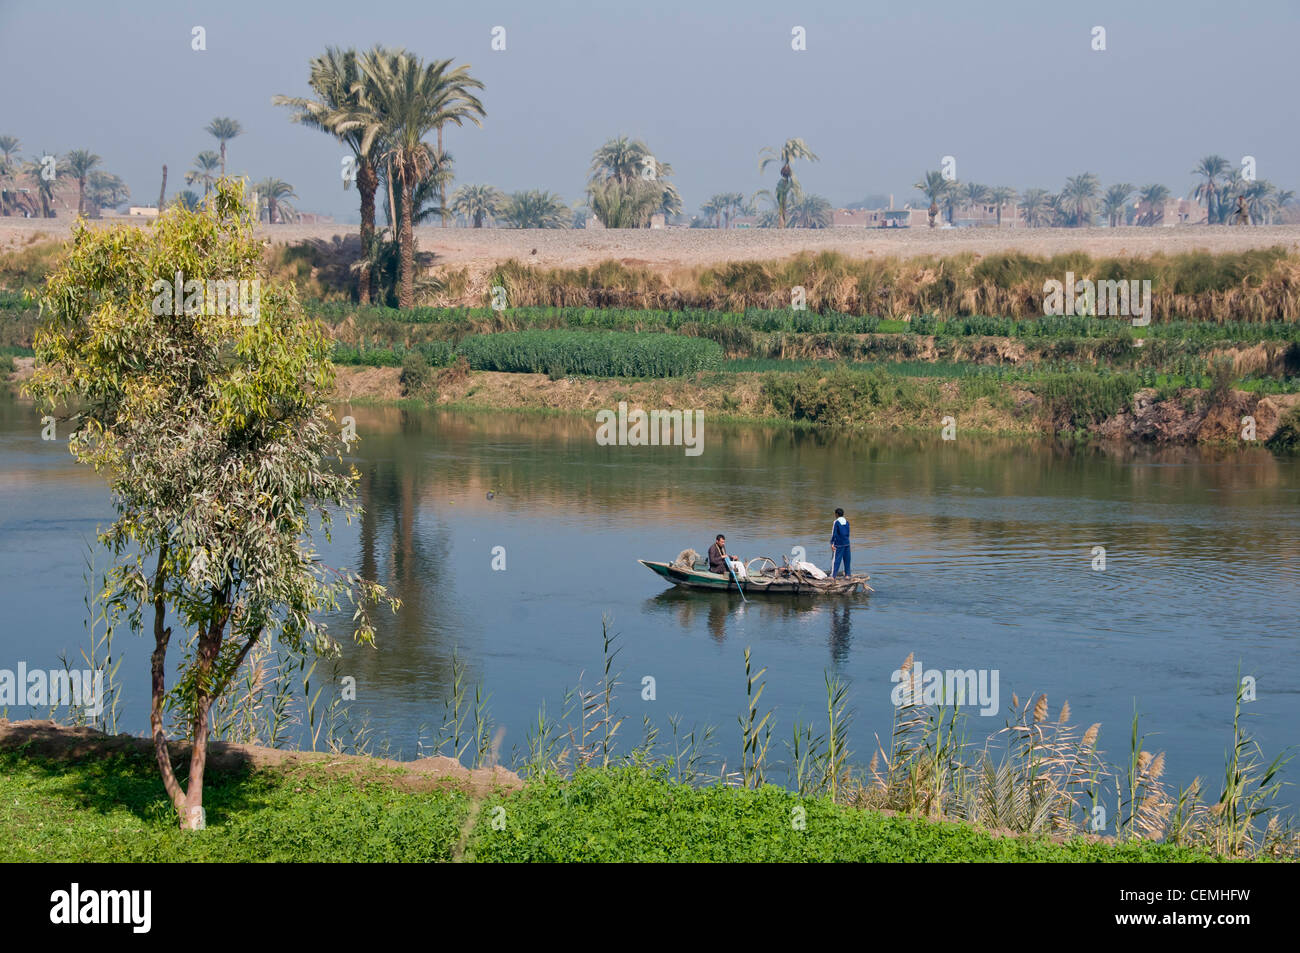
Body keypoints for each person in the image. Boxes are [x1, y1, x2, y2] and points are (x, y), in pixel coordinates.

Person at [830, 508, 851, 577]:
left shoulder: (836, 522)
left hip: (839, 544)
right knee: (847, 560)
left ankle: (833, 576)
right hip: (847, 543)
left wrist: (832, 544)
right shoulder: (847, 522)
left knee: (836, 560)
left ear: (836, 514)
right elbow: (848, 533)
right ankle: (847, 575)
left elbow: (834, 533)